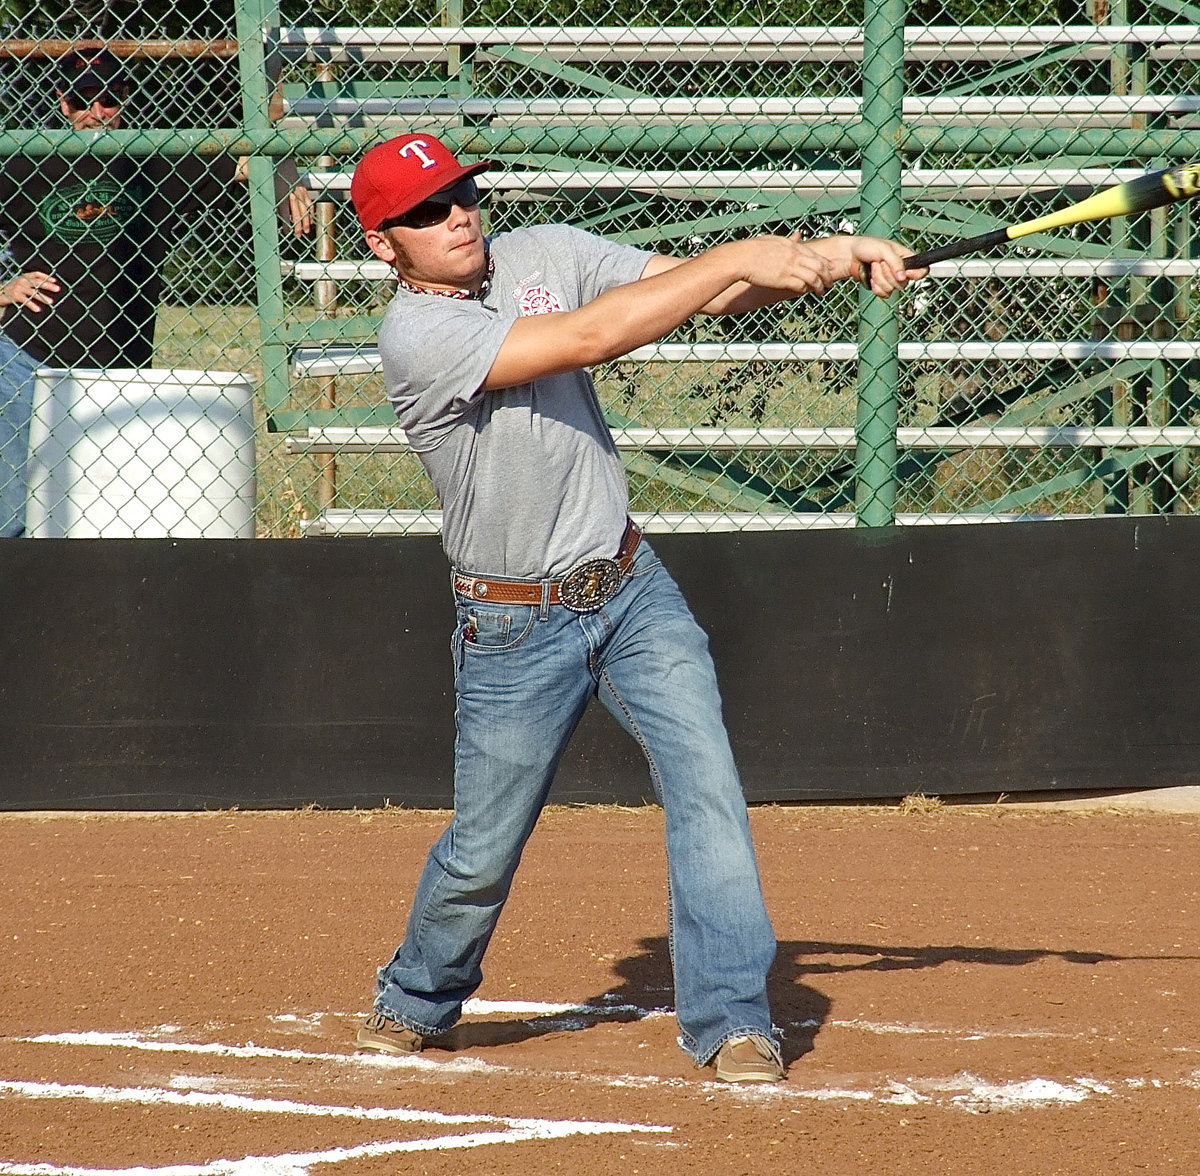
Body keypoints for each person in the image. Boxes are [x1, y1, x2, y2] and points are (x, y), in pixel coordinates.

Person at [348, 132, 922, 1083]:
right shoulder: (418, 334)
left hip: (629, 587)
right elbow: (591, 337)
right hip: (514, 624)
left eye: (459, 195)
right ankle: (418, 994)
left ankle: (734, 1018)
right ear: (383, 244)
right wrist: (742, 255)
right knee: (485, 846)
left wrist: (827, 256)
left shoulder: (543, 255)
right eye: (422, 211)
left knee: (707, 788)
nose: (454, 216)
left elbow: (702, 284)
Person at [0, 47, 313, 537]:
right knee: (15, 512)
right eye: (83, 99)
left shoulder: (151, 162)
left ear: (124, 98)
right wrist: (3, 291)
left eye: (107, 99)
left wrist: (286, 169)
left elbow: (250, 155)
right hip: (26, 360)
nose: (95, 114)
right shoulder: (25, 161)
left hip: (116, 373)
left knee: (101, 517)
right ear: (62, 102)